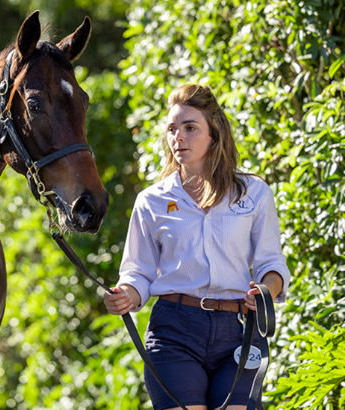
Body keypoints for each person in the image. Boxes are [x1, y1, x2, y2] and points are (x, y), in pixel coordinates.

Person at [103, 84, 290, 410]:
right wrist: (126, 295)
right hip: (174, 332)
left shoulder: (254, 193)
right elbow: (137, 272)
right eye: (172, 129)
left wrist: (264, 290)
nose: (179, 137)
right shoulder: (151, 201)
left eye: (190, 128)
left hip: (238, 332)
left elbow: (272, 265)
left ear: (213, 134)